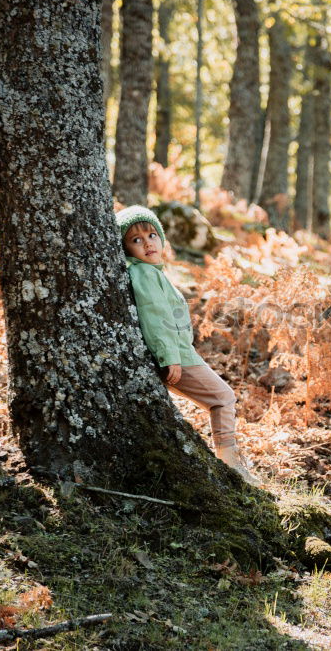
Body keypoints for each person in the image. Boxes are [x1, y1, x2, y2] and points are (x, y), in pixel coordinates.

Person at [116, 205, 260, 486]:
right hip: (176, 355)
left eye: (152, 235)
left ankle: (230, 460)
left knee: (222, 398)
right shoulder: (145, 274)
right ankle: (231, 465)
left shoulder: (153, 272)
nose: (147, 243)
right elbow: (155, 316)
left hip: (181, 353)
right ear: (125, 248)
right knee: (223, 398)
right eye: (136, 239)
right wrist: (170, 357)